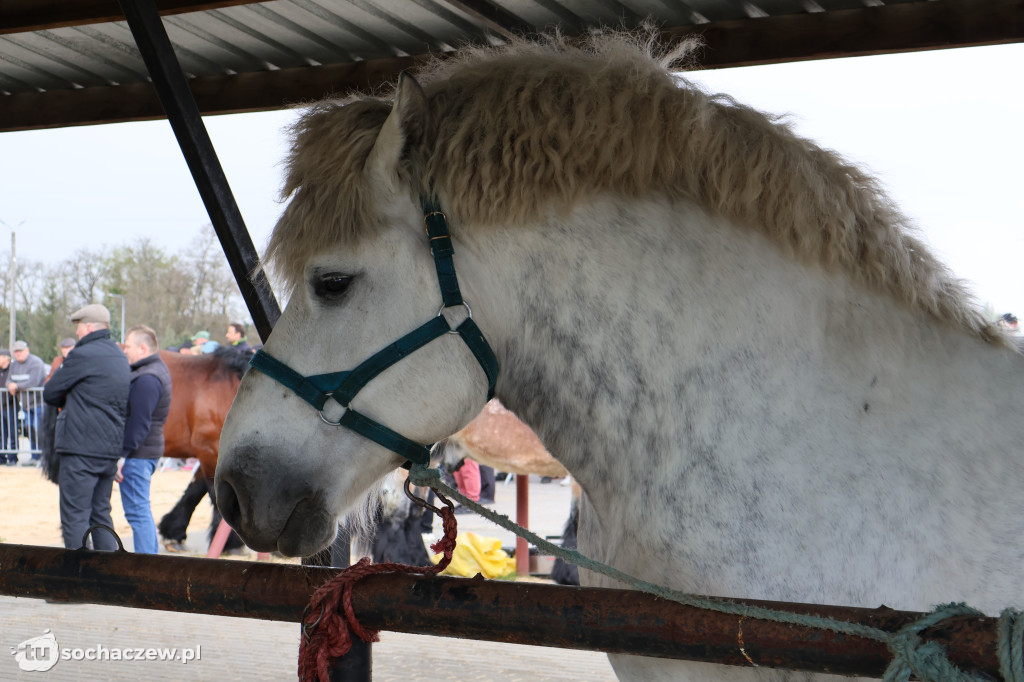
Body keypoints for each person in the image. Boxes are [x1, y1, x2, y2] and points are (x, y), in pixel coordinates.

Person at [43, 303, 130, 551]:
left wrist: (69, 398)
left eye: (79, 327)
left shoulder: (83, 354)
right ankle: (107, 569)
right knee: (101, 514)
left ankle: (79, 572)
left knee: (75, 516)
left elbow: (50, 392)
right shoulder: (119, 356)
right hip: (109, 450)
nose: (77, 332)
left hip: (80, 449)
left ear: (89, 327)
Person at [119, 325, 172, 554]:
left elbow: (139, 423)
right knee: (140, 511)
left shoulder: (147, 378)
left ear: (142, 348)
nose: (125, 351)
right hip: (143, 452)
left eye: (128, 346)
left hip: (138, 454)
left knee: (137, 513)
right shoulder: (152, 371)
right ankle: (150, 561)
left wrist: (122, 454)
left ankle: (146, 563)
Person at [9, 340, 48, 460]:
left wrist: (16, 386)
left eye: (20, 351)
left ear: (27, 350)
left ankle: (43, 456)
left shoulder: (36, 363)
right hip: (25, 405)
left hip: (39, 403)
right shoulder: (14, 365)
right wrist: (10, 385)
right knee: (29, 430)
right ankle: (35, 456)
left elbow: (33, 382)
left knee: (39, 429)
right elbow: (8, 381)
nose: (18, 354)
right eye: (16, 352)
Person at [0, 350, 15, 464]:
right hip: (0, 406)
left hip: (10, 406)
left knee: (12, 432)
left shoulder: (13, 369)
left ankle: (13, 457)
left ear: (7, 358)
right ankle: (1, 457)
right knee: (1, 433)